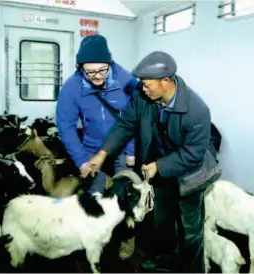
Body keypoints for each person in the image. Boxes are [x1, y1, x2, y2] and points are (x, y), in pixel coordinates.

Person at [87, 51, 220, 273]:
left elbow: (192, 153)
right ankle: (164, 262)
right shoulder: (143, 95)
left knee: (190, 229)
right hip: (160, 171)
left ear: (166, 81)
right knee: (162, 222)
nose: (143, 88)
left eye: (147, 84)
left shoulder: (197, 111)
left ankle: (192, 269)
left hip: (190, 173)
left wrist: (159, 166)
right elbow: (126, 124)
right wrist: (103, 153)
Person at [56, 34, 137, 194]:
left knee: (124, 192)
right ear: (80, 68)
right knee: (93, 193)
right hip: (92, 147)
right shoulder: (71, 87)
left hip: (121, 146)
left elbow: (134, 118)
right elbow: (66, 126)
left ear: (110, 63)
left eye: (102, 70)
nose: (97, 76)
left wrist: (131, 151)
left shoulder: (126, 80)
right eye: (90, 72)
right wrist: (81, 161)